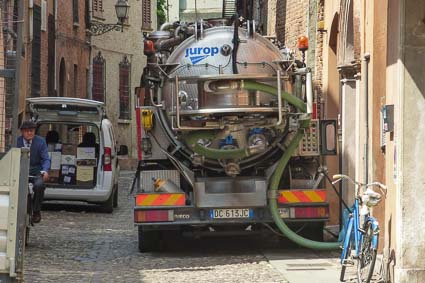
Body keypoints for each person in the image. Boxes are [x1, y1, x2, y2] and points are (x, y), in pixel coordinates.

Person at [17, 120, 51, 223]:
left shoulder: (40, 141)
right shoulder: (16, 142)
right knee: (17, 187)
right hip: (20, 170)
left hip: (36, 171)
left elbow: (45, 158)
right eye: (27, 131)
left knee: (39, 185)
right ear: (22, 132)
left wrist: (45, 170)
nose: (29, 133)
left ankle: (36, 211)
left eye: (31, 131)